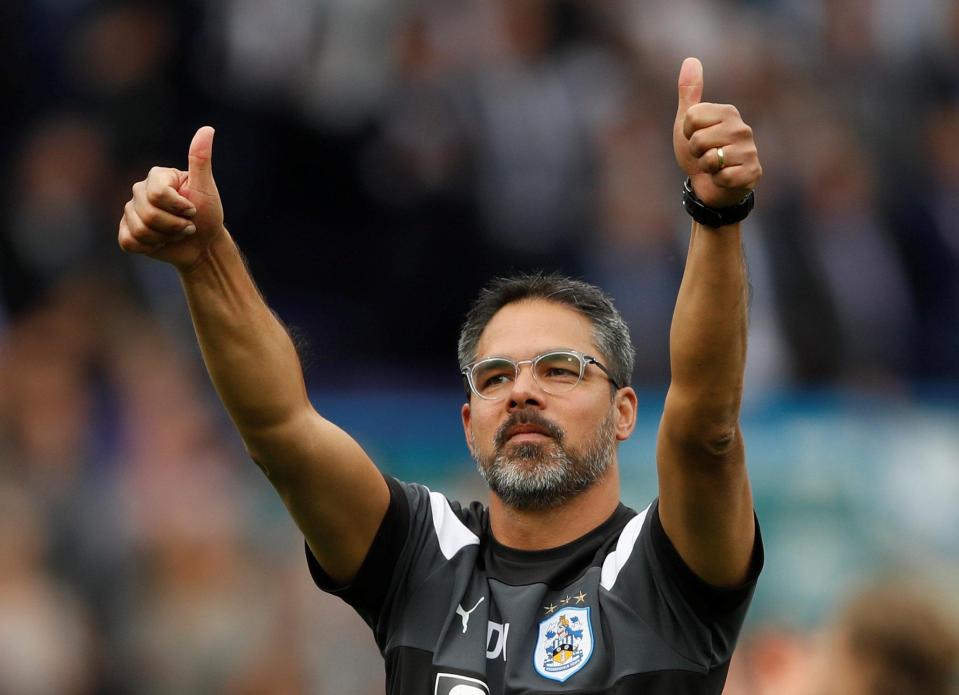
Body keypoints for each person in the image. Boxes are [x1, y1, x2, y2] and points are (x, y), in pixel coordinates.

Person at [118, 57, 763, 694]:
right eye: (493, 378)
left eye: (561, 370)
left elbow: (705, 426)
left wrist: (717, 215)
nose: (522, 391)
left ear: (624, 411)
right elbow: (280, 429)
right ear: (468, 422)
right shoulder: (421, 556)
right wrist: (205, 260)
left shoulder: (669, 568)